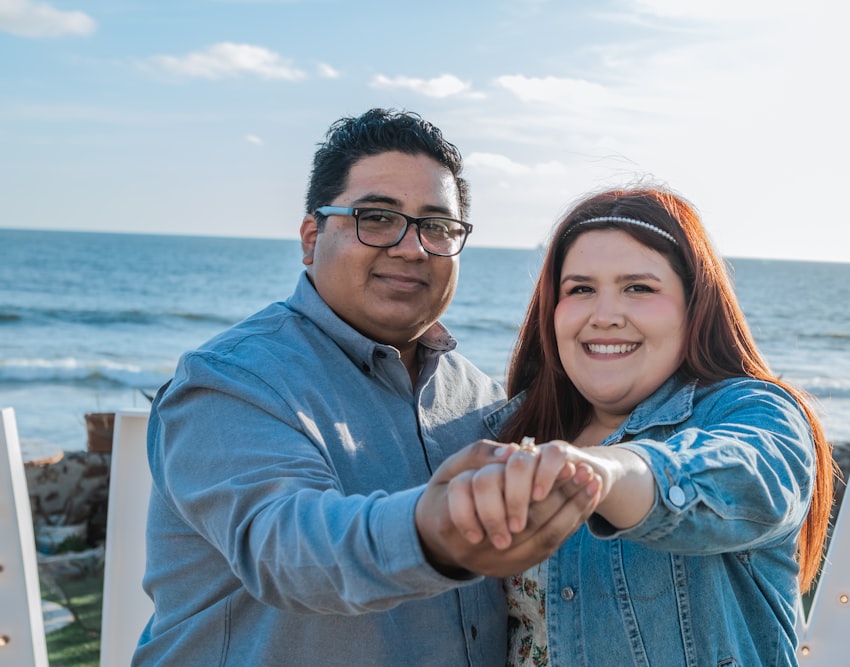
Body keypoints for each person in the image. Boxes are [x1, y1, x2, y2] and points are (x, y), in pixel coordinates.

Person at [134, 108, 600, 666]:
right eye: (376, 217)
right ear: (312, 237)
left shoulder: (479, 399)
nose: (412, 247)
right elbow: (289, 549)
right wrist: (433, 533)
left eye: (437, 226)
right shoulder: (230, 381)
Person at [446, 186, 836, 665]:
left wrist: (599, 473)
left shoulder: (755, 411)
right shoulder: (508, 431)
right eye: (581, 289)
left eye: (639, 288)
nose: (604, 316)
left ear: (694, 307)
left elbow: (749, 478)